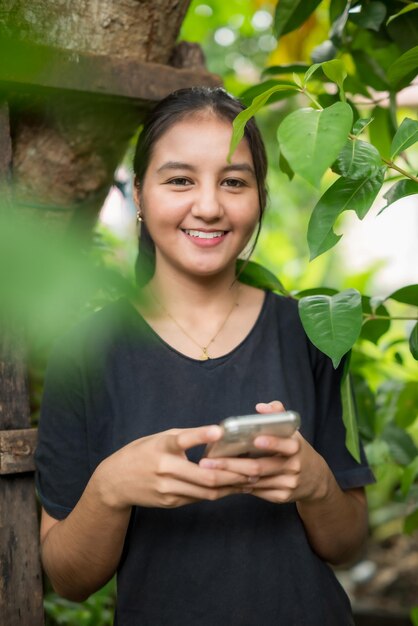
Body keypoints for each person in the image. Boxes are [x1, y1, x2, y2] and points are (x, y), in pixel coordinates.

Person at [35, 86, 375, 626]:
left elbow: (349, 544)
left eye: (234, 182)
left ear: (258, 197)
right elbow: (70, 580)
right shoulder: (83, 353)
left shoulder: (315, 333)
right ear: (140, 195)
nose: (210, 205)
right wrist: (111, 488)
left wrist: (314, 484)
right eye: (179, 179)